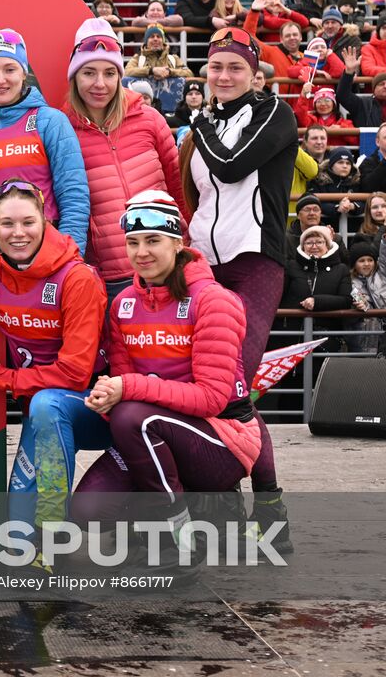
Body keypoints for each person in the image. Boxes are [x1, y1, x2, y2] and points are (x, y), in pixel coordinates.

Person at [71, 193, 282, 569]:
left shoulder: (214, 300)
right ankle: (192, 518)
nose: (141, 252)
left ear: (177, 243)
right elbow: (124, 382)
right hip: (155, 434)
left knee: (132, 415)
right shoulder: (124, 305)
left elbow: (213, 399)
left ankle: (178, 536)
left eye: (153, 240)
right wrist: (107, 397)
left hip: (221, 440)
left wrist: (126, 392)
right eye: (132, 243)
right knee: (87, 510)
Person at [0, 180, 108, 545]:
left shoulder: (76, 278)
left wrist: (2, 378)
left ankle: (52, 537)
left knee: (47, 403)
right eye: (6, 224)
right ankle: (36, 541)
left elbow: (75, 374)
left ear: (45, 220)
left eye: (28, 222)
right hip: (43, 412)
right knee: (17, 530)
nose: (18, 233)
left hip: (97, 407)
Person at [181, 27, 298, 385]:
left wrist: (200, 125)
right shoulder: (206, 126)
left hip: (254, 258)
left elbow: (231, 167)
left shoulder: (274, 111)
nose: (224, 76)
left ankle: (242, 442)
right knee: (190, 370)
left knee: (234, 374)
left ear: (253, 74)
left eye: (235, 67)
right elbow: (195, 195)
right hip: (202, 263)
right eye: (216, 67)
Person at [61, 19, 187, 298]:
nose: (100, 84)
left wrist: (186, 246)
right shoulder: (63, 130)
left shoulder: (150, 119)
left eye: (109, 73)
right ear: (74, 77)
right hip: (108, 277)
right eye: (88, 73)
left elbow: (178, 188)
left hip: (168, 266)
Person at [0, 28, 89, 248]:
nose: (0, 79)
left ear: (23, 73)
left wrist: (72, 257)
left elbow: (73, 197)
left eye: (10, 69)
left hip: (47, 255)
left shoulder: (49, 121)